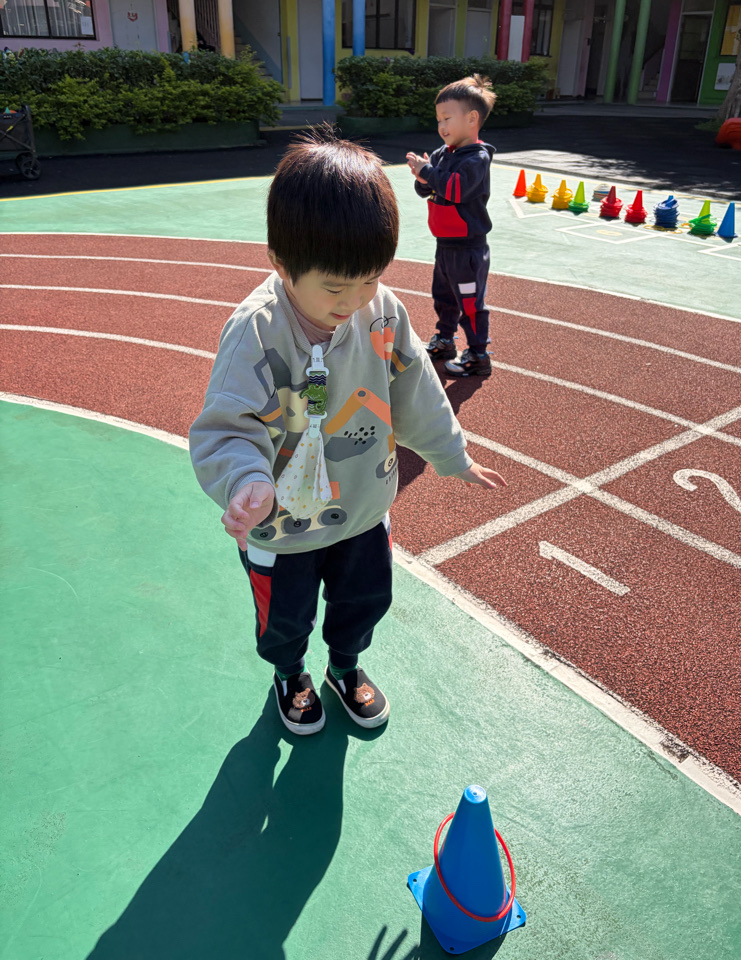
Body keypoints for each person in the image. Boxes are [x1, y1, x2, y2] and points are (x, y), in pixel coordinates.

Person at [189, 128, 506, 737]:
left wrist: (451, 453)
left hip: (361, 507)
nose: (355, 300)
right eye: (335, 287)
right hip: (279, 526)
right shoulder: (255, 331)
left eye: (370, 278)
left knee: (363, 601)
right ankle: (290, 674)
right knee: (284, 619)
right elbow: (226, 427)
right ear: (280, 263)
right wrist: (246, 479)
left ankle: (344, 666)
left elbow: (415, 386)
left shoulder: (381, 310)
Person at [407, 74, 497, 377]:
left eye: (447, 118)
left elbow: (455, 189)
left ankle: (478, 355)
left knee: (470, 303)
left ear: (472, 119)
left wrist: (428, 173)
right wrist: (422, 177)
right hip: (445, 245)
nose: (442, 126)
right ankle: (445, 340)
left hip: (468, 248)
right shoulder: (441, 155)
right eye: (438, 120)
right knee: (444, 296)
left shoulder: (477, 158)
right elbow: (427, 189)